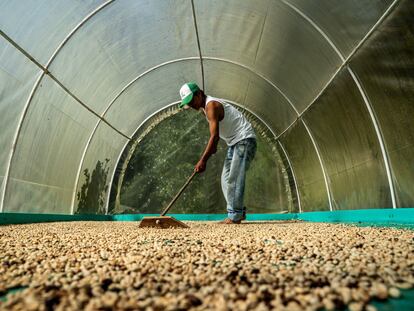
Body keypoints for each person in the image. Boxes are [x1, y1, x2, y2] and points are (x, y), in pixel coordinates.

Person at [179, 82, 257, 224]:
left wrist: (203, 160)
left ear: (199, 93)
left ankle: (234, 216)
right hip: (234, 143)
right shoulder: (204, 109)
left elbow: (214, 137)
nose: (191, 106)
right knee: (226, 179)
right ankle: (238, 211)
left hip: (244, 140)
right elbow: (215, 139)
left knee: (234, 178)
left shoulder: (211, 106)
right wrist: (210, 151)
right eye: (188, 104)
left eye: (191, 101)